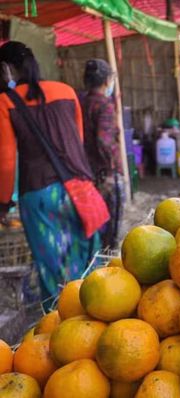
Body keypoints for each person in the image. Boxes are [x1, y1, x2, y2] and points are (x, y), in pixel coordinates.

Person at [0, 41, 100, 303]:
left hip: (39, 195)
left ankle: (62, 323)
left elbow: (7, 162)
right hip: (79, 188)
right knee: (86, 263)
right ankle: (93, 312)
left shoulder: (5, 102)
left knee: (53, 269)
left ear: (6, 69)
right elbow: (76, 141)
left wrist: (3, 203)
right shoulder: (66, 91)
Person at [80, 59, 124, 249]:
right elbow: (104, 141)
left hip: (86, 173)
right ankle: (105, 266)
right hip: (105, 175)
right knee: (110, 229)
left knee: (92, 225)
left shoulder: (81, 102)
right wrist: (113, 168)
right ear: (107, 80)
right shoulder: (104, 105)